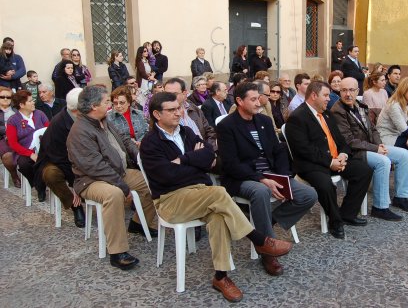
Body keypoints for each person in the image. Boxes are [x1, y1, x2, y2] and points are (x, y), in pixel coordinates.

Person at [140, 91, 293, 302]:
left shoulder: (185, 132)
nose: (178, 112)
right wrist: (194, 163)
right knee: (219, 192)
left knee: (219, 216)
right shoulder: (150, 143)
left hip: (201, 193)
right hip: (171, 199)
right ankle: (259, 239)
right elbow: (167, 176)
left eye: (179, 108)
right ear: (157, 114)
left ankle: (221, 277)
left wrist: (184, 160)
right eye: (172, 110)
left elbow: (209, 156)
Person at [217, 82, 316, 276]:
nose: (258, 102)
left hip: (271, 174)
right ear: (239, 101)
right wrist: (261, 178)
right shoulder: (227, 126)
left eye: (258, 98)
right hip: (243, 177)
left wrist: (282, 176)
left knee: (308, 194)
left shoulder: (263, 120)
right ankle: (267, 251)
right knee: (261, 191)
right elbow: (230, 163)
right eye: (253, 99)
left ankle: (265, 224)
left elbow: (278, 150)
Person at [66, 85, 158, 270]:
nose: (111, 105)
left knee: (152, 181)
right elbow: (95, 167)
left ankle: (139, 223)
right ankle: (117, 252)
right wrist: (123, 187)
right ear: (93, 106)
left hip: (118, 172)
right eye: (107, 102)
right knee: (114, 194)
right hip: (91, 181)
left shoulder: (104, 120)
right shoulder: (80, 131)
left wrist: (140, 157)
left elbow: (124, 139)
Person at [285, 81, 372, 239]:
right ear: (313, 95)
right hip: (312, 164)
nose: (328, 99)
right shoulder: (297, 118)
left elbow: (341, 141)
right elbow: (304, 150)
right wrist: (330, 162)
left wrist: (343, 155)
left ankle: (347, 213)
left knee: (364, 170)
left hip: (335, 158)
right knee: (325, 185)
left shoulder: (326, 113)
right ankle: (335, 221)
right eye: (325, 95)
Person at [331, 78, 408, 221]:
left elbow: (373, 129)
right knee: (382, 162)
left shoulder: (360, 106)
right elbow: (349, 141)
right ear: (339, 92)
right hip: (354, 152)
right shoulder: (337, 111)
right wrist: (376, 148)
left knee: (404, 155)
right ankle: (380, 207)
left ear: (358, 91)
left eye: (351, 90)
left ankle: (401, 197)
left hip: (370, 146)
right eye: (344, 90)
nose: (348, 94)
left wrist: (380, 145)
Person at [34, 88, 85, 227]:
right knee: (50, 175)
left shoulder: (84, 117)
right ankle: (75, 206)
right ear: (78, 108)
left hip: (79, 159)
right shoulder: (59, 123)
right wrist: (75, 182)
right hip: (55, 160)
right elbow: (60, 157)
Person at [7, 90, 50, 200]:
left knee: (44, 162)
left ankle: (40, 185)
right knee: (24, 164)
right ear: (21, 105)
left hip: (43, 149)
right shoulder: (13, 120)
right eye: (30, 101)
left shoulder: (39, 114)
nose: (33, 102)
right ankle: (39, 186)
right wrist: (30, 154)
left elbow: (50, 130)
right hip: (24, 151)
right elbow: (13, 143)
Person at [0, 87, 19, 187]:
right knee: (7, 156)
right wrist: (8, 132)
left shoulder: (16, 109)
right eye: (2, 97)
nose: (5, 99)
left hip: (18, 136)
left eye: (8, 97)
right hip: (2, 137)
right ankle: (14, 176)